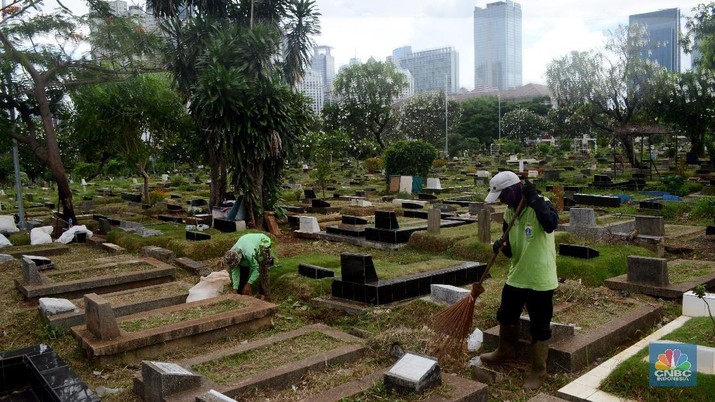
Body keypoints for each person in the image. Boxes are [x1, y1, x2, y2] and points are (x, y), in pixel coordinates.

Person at [478, 171, 559, 390]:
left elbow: (551, 223)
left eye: (503, 195)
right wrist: (501, 247)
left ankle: (539, 369)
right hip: (517, 274)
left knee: (540, 326)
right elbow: (512, 252)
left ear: (513, 189)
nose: (502, 200)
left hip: (540, 278)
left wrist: (533, 198)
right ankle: (505, 350)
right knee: (506, 314)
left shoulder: (542, 204)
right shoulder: (509, 213)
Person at [222, 233, 274, 298]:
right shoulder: (232, 253)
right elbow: (235, 271)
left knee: (263, 269)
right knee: (243, 271)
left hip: (263, 241)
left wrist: (249, 284)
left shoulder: (249, 253)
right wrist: (235, 288)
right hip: (247, 241)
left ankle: (263, 295)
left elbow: (257, 269)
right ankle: (243, 293)